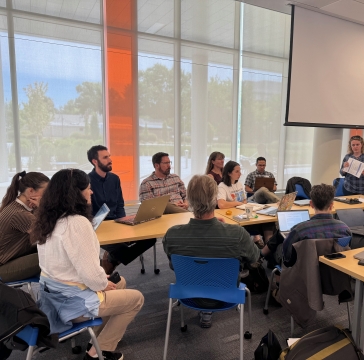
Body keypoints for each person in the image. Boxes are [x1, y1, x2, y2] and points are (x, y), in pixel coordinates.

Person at [31, 169, 144, 360]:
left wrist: (101, 280)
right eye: (88, 189)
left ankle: (97, 344)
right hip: (72, 304)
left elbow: (69, 266)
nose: (91, 192)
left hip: (52, 298)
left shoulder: (48, 220)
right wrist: (101, 282)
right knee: (136, 299)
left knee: (120, 283)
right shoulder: (76, 223)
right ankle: (98, 354)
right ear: (76, 193)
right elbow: (91, 275)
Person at [163, 175, 260, 328]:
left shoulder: (172, 235)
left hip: (188, 294)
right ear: (215, 199)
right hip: (227, 294)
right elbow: (254, 258)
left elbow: (173, 265)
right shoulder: (237, 234)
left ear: (189, 201)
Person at [87, 145, 156, 275]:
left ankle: (111, 259)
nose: (110, 159)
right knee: (121, 249)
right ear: (94, 161)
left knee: (150, 238)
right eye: (105, 157)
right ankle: (112, 259)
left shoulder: (114, 179)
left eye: (109, 156)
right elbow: (86, 211)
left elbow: (119, 204)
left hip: (117, 222)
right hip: (99, 227)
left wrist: (123, 222)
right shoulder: (86, 181)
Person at [282, 184, 352, 267]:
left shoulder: (299, 230)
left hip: (305, 272)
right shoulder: (345, 229)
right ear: (331, 205)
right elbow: (347, 252)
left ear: (311, 204)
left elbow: (287, 257)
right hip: (335, 273)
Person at [0, 171, 49, 282]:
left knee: (49, 250)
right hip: (3, 267)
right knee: (51, 255)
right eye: (46, 192)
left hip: (10, 258)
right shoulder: (19, 214)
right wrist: (43, 207)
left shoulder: (18, 206)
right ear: (31, 191)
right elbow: (50, 235)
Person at [217, 160, 274, 243]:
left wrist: (241, 204)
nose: (240, 173)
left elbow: (244, 200)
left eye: (240, 171)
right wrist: (237, 203)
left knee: (269, 223)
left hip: (243, 212)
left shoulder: (239, 184)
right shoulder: (222, 186)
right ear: (229, 173)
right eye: (237, 171)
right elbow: (221, 204)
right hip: (234, 217)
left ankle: (268, 250)